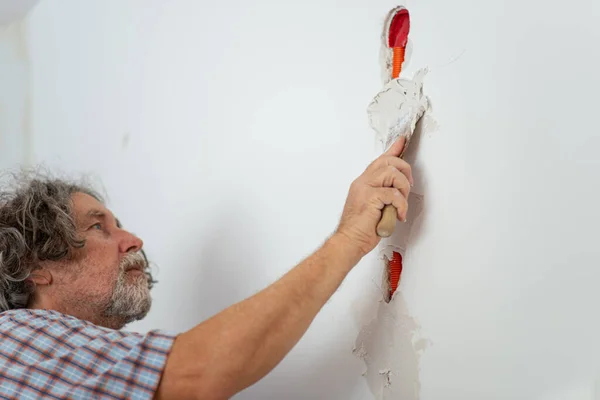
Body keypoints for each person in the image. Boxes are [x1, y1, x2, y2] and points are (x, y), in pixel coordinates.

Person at [0, 138, 413, 400]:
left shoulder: (83, 372)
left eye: (120, 225)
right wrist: (348, 240)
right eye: (98, 227)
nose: (133, 240)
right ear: (35, 267)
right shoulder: (10, 340)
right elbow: (198, 374)